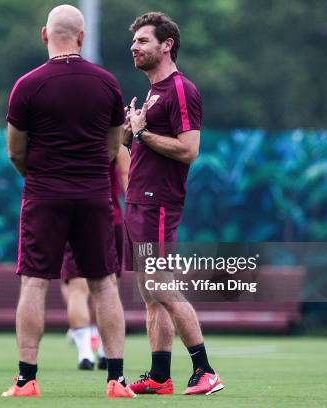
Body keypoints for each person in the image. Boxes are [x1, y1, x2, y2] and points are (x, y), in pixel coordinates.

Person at [4, 4, 134, 398]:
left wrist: (42, 178)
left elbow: (15, 152)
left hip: (44, 194)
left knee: (35, 283)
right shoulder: (107, 83)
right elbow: (114, 147)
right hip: (95, 194)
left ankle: (27, 380)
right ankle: (116, 379)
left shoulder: (27, 85)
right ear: (81, 37)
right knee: (104, 284)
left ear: (45, 35)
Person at [122, 12, 223, 396]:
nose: (135, 47)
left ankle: (205, 370)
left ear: (167, 45)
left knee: (161, 286)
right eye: (134, 42)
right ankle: (160, 376)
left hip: (158, 202)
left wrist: (143, 133)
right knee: (150, 293)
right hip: (139, 201)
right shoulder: (151, 92)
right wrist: (131, 132)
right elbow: (135, 145)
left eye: (143, 41)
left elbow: (189, 150)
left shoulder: (181, 89)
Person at [60, 147, 130, 370]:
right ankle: (104, 352)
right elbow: (126, 174)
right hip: (108, 216)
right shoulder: (111, 133)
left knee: (77, 290)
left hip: (72, 214)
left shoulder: (62, 133)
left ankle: (85, 354)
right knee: (109, 288)